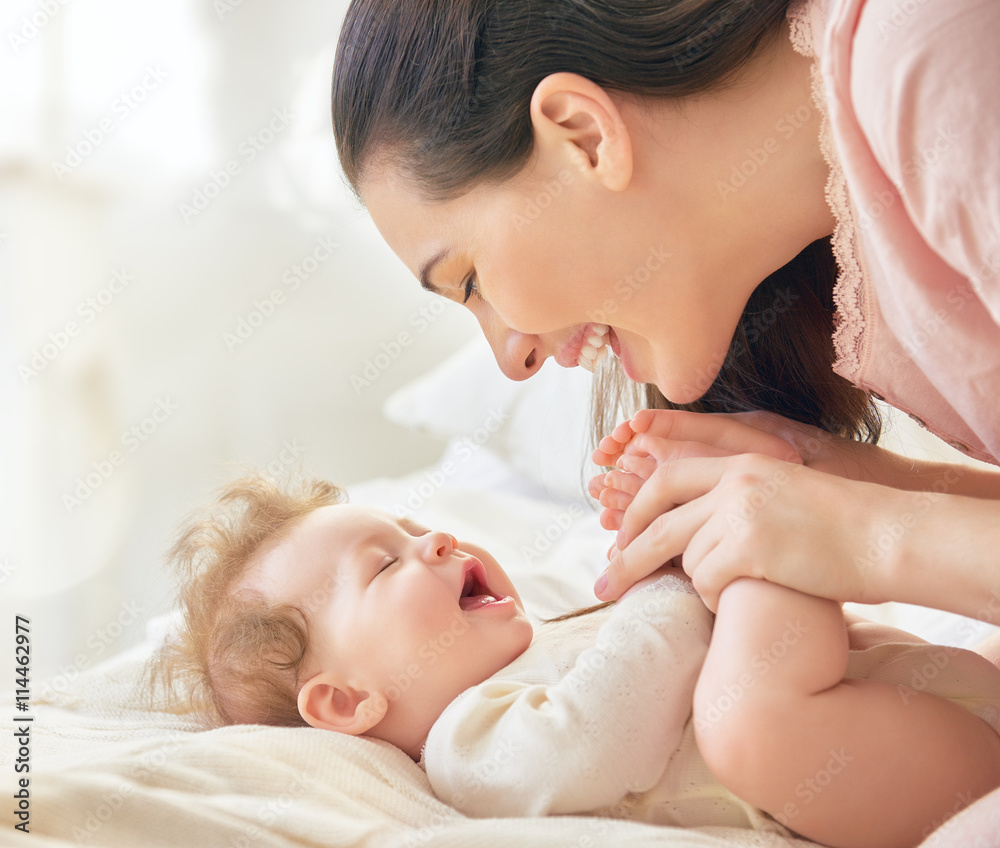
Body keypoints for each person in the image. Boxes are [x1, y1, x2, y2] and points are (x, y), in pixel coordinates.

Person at [155, 473, 1000, 848]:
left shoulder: (543, 642)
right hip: (877, 784)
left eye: (415, 530)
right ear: (346, 705)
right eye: (386, 564)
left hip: (909, 708)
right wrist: (669, 582)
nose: (437, 539)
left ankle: (758, 520)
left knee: (770, 612)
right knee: (755, 697)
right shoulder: (467, 748)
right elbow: (600, 733)